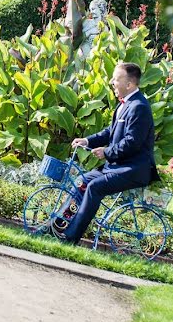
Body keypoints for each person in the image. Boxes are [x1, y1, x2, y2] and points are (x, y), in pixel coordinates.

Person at [55, 62, 159, 243]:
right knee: (83, 181)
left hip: (133, 170)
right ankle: (57, 227)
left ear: (129, 84)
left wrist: (107, 152)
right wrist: (87, 140)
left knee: (95, 188)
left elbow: (132, 142)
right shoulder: (124, 105)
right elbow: (110, 132)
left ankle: (70, 238)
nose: (112, 82)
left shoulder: (139, 107)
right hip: (116, 166)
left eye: (116, 79)